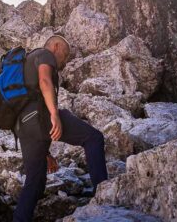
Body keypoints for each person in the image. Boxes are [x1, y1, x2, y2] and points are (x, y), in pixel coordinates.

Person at [13, 35, 108, 222]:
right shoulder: (45, 54)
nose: (64, 62)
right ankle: (105, 194)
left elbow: (31, 99)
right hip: (41, 117)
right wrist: (55, 113)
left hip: (24, 126)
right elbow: (44, 82)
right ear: (56, 46)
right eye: (65, 56)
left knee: (34, 183)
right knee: (93, 138)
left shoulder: (26, 63)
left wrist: (45, 152)